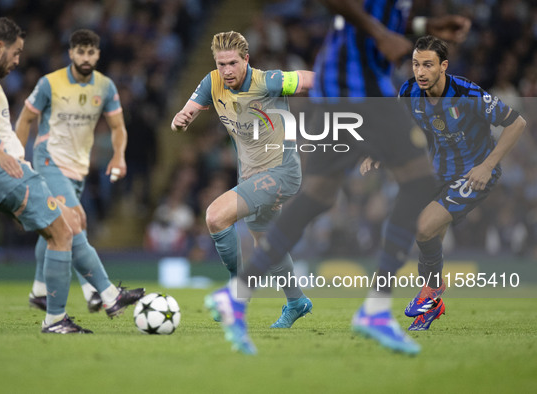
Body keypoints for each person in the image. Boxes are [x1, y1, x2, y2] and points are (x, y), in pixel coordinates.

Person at [205, 1, 471, 355]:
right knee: (419, 178)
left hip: (343, 82)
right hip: (354, 83)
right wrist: (381, 35)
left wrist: (427, 24)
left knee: (318, 195)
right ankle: (375, 309)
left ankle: (236, 295)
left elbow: (383, 14)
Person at [0, 17, 143, 334]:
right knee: (63, 231)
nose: (18, 60)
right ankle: (56, 318)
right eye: (16, 52)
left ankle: (105, 295)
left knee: (66, 223)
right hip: (7, 170)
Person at [361, 35, 525, 331]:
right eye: (415, 64)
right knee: (425, 232)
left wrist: (488, 166)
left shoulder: (466, 92)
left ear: (443, 66)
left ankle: (433, 292)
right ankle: (433, 301)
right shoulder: (409, 92)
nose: (420, 72)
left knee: (423, 226)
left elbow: (517, 123)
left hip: (473, 174)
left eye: (427, 65)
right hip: (436, 171)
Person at [171, 31, 315, 328]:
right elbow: (187, 112)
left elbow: (312, 79)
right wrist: (179, 120)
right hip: (251, 174)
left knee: (215, 216)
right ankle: (297, 301)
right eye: (221, 64)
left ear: (246, 60)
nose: (226, 71)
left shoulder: (269, 81)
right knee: (265, 241)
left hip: (282, 172)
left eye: (232, 63)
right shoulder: (212, 82)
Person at [15, 29, 129, 313]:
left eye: (91, 52)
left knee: (57, 229)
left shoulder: (105, 87)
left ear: (98, 54)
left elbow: (117, 127)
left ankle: (41, 291)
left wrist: (118, 155)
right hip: (49, 161)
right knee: (75, 222)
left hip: (78, 169)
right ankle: (105, 292)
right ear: (71, 53)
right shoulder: (49, 84)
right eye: (81, 52)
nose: (86, 57)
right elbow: (26, 118)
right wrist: (18, 157)